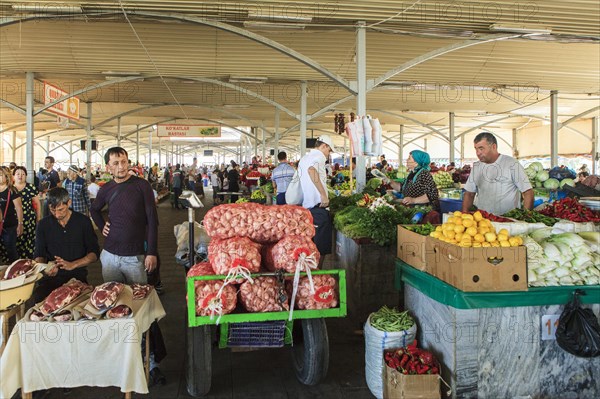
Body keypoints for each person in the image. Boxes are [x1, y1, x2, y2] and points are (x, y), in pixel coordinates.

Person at [89, 147, 165, 385]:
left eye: (123, 161)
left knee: (141, 310)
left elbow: (152, 219)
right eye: (116, 163)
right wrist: (102, 225)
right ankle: (120, 359)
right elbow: (93, 209)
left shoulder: (141, 185)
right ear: (108, 167)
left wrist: (151, 251)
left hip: (135, 258)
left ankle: (151, 362)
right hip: (110, 256)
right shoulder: (106, 189)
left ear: (128, 162)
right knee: (111, 307)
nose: (121, 166)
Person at [33, 187, 99, 303]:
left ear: (69, 203)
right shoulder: (43, 225)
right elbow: (39, 254)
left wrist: (73, 264)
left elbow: (94, 253)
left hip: (77, 276)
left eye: (61, 210)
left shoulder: (83, 222)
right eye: (53, 211)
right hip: (51, 278)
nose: (57, 214)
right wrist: (44, 268)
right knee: (38, 301)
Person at [462, 132, 533, 215]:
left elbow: (528, 192)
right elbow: (469, 194)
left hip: (508, 221)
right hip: (483, 221)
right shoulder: (477, 167)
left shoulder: (512, 164)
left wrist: (525, 217)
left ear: (493, 147)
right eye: (476, 149)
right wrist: (464, 214)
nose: (478, 153)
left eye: (481, 149)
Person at [298, 135, 334, 262]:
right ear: (324, 146)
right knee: (320, 248)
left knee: (310, 246)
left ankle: (310, 275)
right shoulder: (318, 156)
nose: (328, 154)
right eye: (329, 150)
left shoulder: (304, 158)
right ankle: (316, 276)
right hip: (318, 208)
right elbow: (311, 171)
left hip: (307, 208)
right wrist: (323, 195)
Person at [13, 166, 42, 259]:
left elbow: (37, 203)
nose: (20, 176)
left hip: (29, 219)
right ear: (13, 176)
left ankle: (27, 261)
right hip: (13, 219)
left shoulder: (31, 187)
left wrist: (38, 218)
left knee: (28, 241)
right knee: (15, 241)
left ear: (26, 176)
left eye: (23, 174)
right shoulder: (10, 188)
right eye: (17, 174)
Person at [0, 166, 24, 263]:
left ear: (7, 177)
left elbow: (19, 208)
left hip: (9, 226)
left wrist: (20, 224)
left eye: (1, 175)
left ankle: (15, 270)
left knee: (11, 250)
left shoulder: (12, 190)